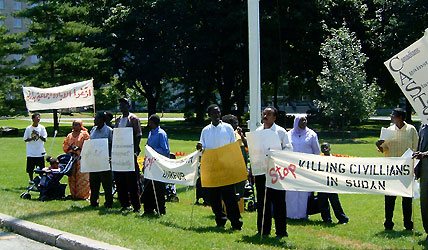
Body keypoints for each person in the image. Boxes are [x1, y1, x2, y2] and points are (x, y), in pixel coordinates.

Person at [196, 104, 243, 230]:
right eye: (213, 113)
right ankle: (220, 220)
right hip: (212, 169)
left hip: (226, 167)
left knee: (230, 198)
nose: (216, 115)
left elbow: (233, 146)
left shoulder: (227, 128)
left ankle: (236, 222)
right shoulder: (205, 130)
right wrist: (200, 147)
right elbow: (203, 147)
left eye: (218, 113)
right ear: (209, 115)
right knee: (214, 198)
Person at [254, 106, 292, 238]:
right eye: (264, 114)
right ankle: (263, 230)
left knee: (279, 203)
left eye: (268, 114)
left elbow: (289, 149)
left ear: (274, 117)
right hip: (261, 172)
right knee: (262, 202)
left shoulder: (281, 132)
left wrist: (276, 155)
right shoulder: (257, 132)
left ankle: (281, 231)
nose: (265, 116)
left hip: (277, 173)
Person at [376, 108, 417, 231]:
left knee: (406, 199)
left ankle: (408, 223)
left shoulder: (411, 130)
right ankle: (388, 223)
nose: (391, 118)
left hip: (406, 168)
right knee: (389, 198)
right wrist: (379, 145)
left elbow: (415, 147)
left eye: (394, 116)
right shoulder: (388, 131)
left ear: (401, 117)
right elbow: (383, 149)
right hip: (391, 169)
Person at [287, 115, 320, 219]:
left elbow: (316, 151)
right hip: (291, 168)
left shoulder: (312, 135)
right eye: (301, 120)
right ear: (296, 122)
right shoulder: (289, 134)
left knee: (304, 193)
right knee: (291, 192)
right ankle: (290, 214)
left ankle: (302, 215)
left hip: (306, 168)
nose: (304, 122)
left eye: (305, 120)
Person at [114, 97, 142, 212]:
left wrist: (135, 150)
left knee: (132, 181)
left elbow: (138, 135)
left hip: (130, 153)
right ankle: (124, 204)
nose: (121, 107)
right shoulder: (118, 120)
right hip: (119, 154)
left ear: (128, 106)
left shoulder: (134, 119)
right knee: (120, 180)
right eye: (120, 105)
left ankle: (136, 205)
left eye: (123, 105)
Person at [143, 114, 169, 215]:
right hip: (150, 164)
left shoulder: (161, 134)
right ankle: (148, 209)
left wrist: (151, 150)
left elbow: (165, 150)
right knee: (148, 187)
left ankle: (160, 210)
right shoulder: (151, 133)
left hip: (158, 165)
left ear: (153, 122)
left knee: (158, 188)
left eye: (150, 121)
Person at [318, 142, 349, 224]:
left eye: (326, 147)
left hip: (332, 184)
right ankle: (326, 219)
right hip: (321, 184)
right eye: (323, 147)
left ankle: (342, 218)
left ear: (330, 148)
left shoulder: (335, 158)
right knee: (323, 202)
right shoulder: (318, 159)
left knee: (335, 202)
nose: (325, 149)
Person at [89, 112, 113, 208]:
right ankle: (94, 202)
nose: (95, 121)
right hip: (94, 160)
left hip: (104, 160)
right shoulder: (93, 130)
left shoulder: (109, 131)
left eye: (96, 119)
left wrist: (110, 157)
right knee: (94, 182)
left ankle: (108, 203)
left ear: (102, 120)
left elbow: (112, 144)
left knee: (106, 183)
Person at [63, 119, 90, 200]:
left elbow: (88, 145)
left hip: (81, 158)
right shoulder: (69, 135)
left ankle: (83, 195)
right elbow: (65, 145)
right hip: (72, 158)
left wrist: (79, 148)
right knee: (72, 177)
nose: (74, 126)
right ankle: (73, 194)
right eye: (73, 124)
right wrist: (70, 148)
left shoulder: (84, 134)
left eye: (77, 125)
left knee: (82, 177)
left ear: (80, 126)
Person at [23, 113, 47, 184]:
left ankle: (41, 181)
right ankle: (31, 180)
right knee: (30, 168)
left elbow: (45, 139)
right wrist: (32, 138)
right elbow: (25, 139)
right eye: (37, 117)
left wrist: (38, 135)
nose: (38, 119)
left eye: (39, 118)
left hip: (40, 152)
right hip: (31, 152)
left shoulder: (42, 128)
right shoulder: (28, 128)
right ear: (33, 119)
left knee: (41, 168)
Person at [414, 123, 428, 241]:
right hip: (425, 170)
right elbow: (419, 146)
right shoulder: (423, 126)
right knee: (425, 201)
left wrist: (425, 154)